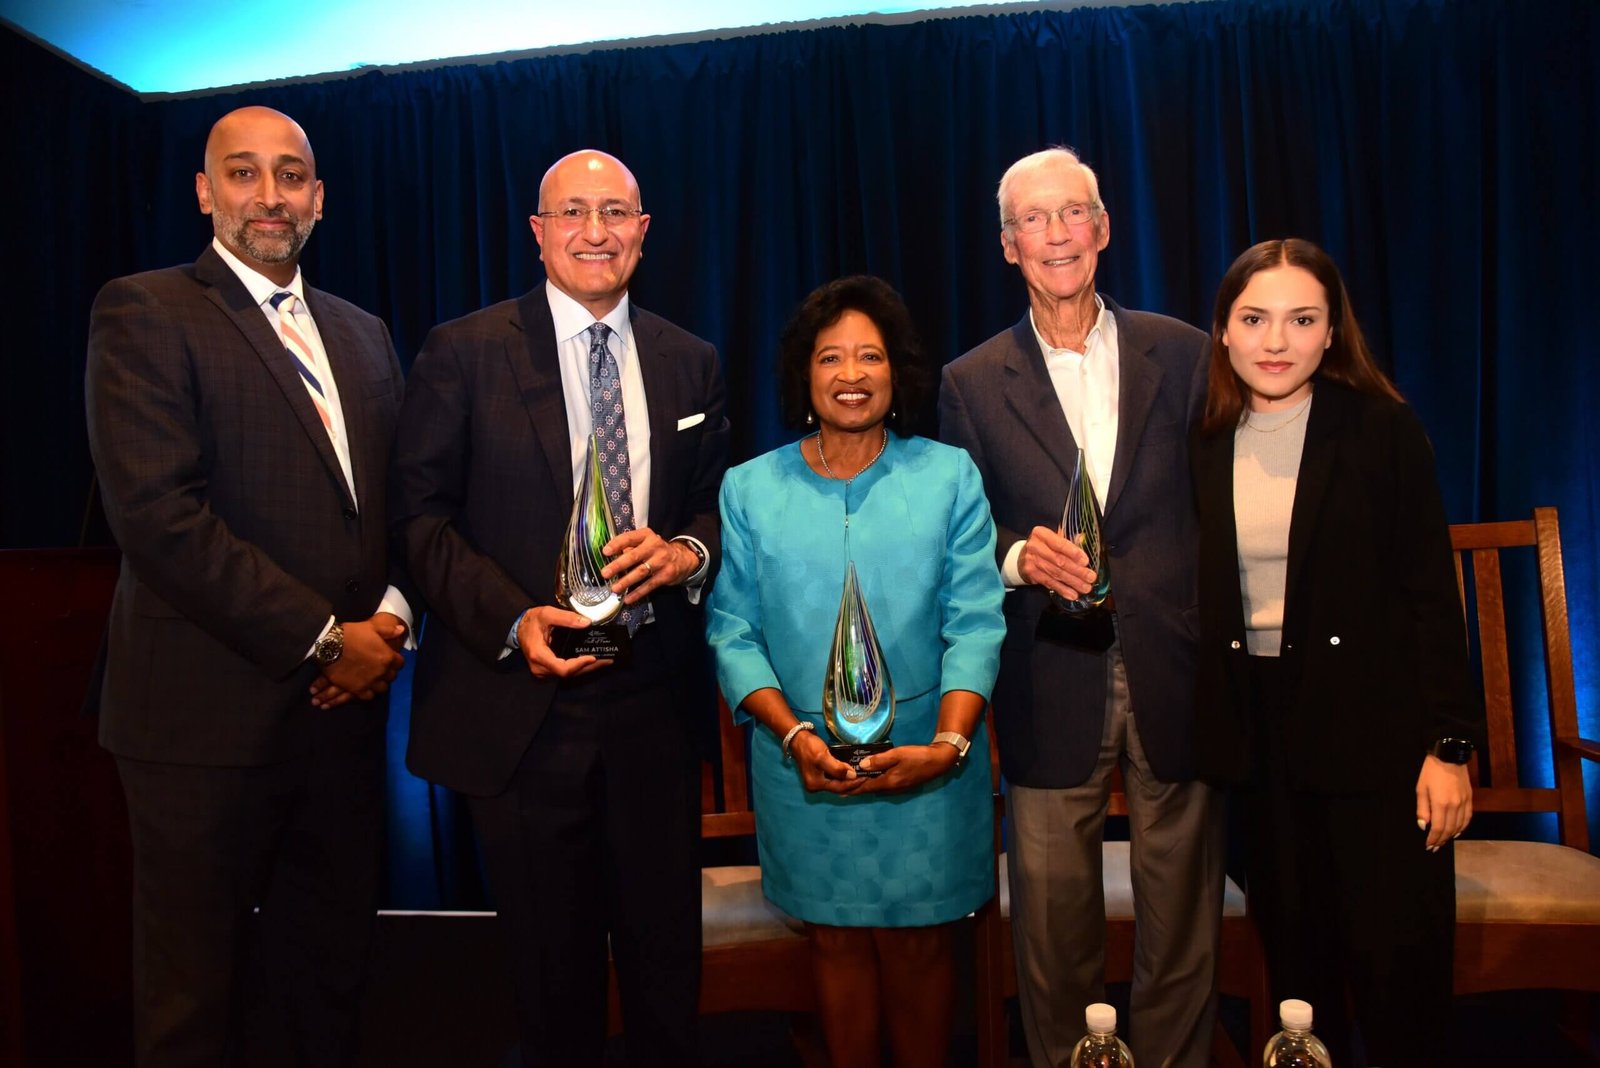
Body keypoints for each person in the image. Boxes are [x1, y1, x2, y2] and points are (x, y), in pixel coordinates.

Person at [84, 105, 411, 1065]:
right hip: (199, 726)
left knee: (330, 979)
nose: (268, 196)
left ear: (320, 198)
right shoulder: (143, 310)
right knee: (195, 1001)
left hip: (343, 723)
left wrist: (386, 625)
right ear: (203, 191)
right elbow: (158, 519)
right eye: (242, 173)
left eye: (290, 175)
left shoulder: (365, 334)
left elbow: (400, 507)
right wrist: (324, 638)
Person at [392, 149, 728, 1066]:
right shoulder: (461, 353)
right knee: (552, 979)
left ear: (644, 231)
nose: (595, 231)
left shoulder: (690, 359)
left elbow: (712, 505)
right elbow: (418, 518)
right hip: (520, 707)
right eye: (572, 212)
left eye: (615, 212)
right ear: (537, 233)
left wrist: (688, 550)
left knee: (666, 968)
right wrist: (513, 619)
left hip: (654, 702)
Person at [939, 147, 1224, 1068]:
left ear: (1102, 229)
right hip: (1045, 672)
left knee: (1181, 905)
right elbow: (956, 536)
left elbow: (1218, 507)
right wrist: (1019, 556)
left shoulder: (1183, 353)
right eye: (1034, 219)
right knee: (1053, 921)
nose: (1056, 234)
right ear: (1007, 245)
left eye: (1074, 214)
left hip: (1174, 666)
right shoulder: (971, 382)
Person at [1191, 238, 1482, 1066]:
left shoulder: (1382, 427)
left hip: (1380, 741)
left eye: (1301, 319)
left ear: (1331, 333)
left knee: (1398, 981)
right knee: (1298, 982)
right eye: (1254, 318)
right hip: (1262, 743)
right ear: (1222, 331)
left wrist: (1450, 748)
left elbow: (1432, 594)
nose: (1276, 340)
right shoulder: (1207, 438)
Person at [707, 275, 1004, 1068]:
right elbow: (733, 631)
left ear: (896, 372)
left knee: (919, 947)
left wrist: (948, 747)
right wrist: (795, 735)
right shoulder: (749, 488)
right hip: (802, 762)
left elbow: (975, 622)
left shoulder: (949, 477)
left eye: (870, 356)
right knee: (834, 942)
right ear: (803, 373)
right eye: (830, 356)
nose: (851, 373)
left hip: (930, 767)